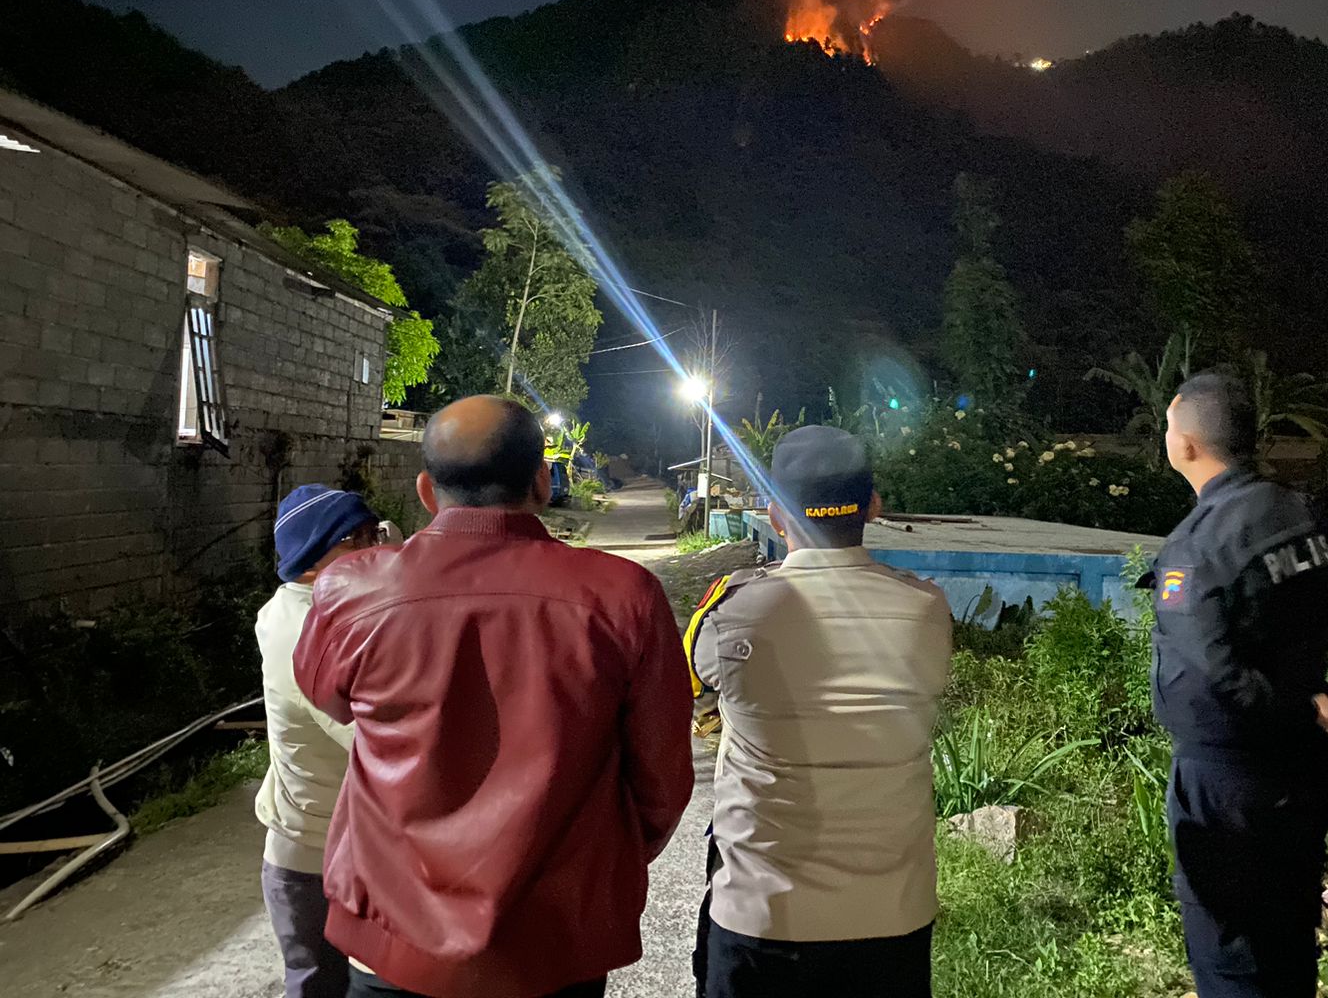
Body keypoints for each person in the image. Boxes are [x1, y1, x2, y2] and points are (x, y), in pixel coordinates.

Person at [294, 396, 694, 998]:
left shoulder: (350, 591)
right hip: (554, 946)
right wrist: (596, 862)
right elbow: (663, 780)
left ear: (427, 491)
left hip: (394, 944)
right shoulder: (624, 596)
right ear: (542, 480)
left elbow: (330, 700)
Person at [685, 424, 953, 998]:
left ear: (776, 515)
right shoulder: (927, 609)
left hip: (761, 916)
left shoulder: (734, 612)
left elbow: (699, 692)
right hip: (893, 919)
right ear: (874, 506)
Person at [1152, 371, 1328, 998]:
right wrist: (1309, 704)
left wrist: (1285, 707)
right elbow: (1307, 622)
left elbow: (1214, 677)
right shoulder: (1299, 511)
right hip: (1301, 765)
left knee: (1231, 950)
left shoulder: (1197, 547)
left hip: (1230, 780)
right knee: (1289, 933)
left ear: (1186, 444)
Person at [258, 484, 382, 998]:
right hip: (313, 858)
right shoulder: (307, 630)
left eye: (374, 532)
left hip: (326, 846)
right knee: (321, 986)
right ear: (311, 562)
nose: (374, 548)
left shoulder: (312, 609)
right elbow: (385, 742)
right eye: (357, 539)